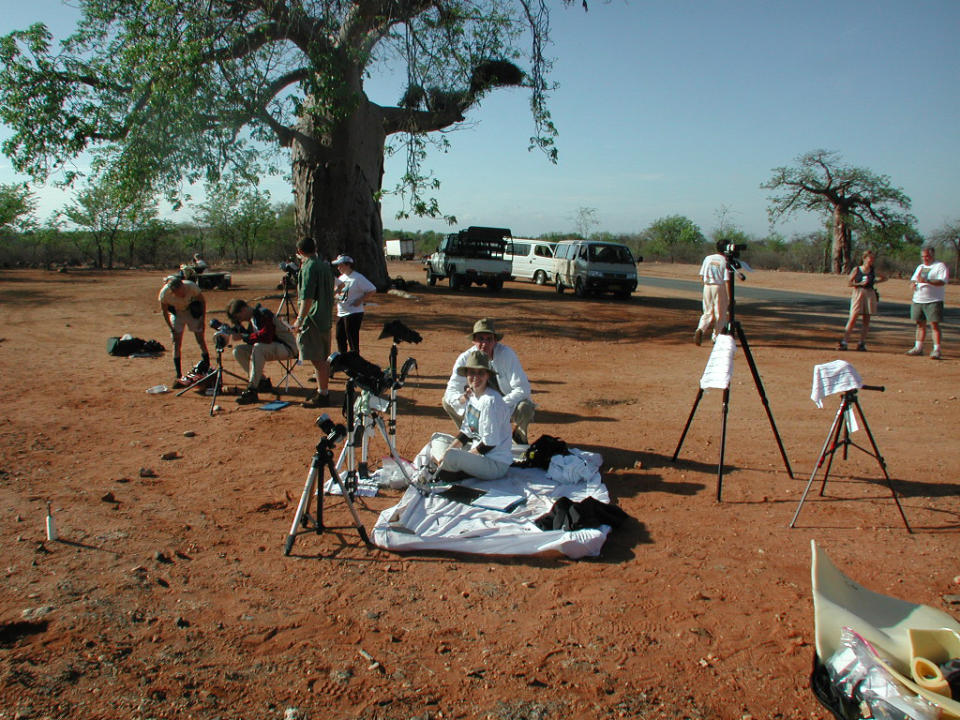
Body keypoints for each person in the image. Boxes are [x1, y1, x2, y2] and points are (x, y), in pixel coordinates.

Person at [443, 318, 535, 444]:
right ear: (474, 340)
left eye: (489, 339)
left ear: (495, 340)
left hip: (505, 403)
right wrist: (462, 399)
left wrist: (499, 405)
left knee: (526, 406)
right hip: (476, 405)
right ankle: (471, 434)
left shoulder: (507, 354)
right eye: (481, 338)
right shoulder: (464, 358)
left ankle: (519, 436)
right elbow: (451, 390)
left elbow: (523, 388)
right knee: (447, 401)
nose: (485, 343)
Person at [432, 350, 513, 482]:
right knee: (437, 438)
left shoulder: (490, 401)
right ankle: (448, 467)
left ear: (488, 375)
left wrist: (463, 456)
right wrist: (447, 452)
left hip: (494, 464)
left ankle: (449, 471)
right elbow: (466, 433)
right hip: (478, 455)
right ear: (466, 375)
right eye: (472, 372)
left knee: (452, 456)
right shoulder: (472, 396)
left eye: (481, 373)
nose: (476, 377)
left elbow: (489, 444)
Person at [225, 299, 297, 405]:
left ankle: (252, 389)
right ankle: (261, 382)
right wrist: (240, 332)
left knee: (258, 347)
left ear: (244, 309)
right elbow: (254, 340)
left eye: (239, 317)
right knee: (238, 351)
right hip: (273, 347)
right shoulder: (253, 318)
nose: (241, 320)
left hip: (287, 347)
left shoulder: (263, 314)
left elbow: (267, 337)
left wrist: (244, 336)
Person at [292, 237, 336, 407]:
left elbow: (307, 298)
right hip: (325, 317)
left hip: (313, 319)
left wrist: (299, 320)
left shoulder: (308, 267)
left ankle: (323, 393)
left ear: (300, 252)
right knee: (322, 357)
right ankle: (322, 391)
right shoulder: (325, 266)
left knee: (317, 358)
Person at [158, 275, 210, 386]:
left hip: (191, 311)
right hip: (177, 313)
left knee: (200, 339)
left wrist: (202, 319)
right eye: (176, 293)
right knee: (176, 342)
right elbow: (164, 311)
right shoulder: (165, 294)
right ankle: (178, 374)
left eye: (181, 291)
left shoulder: (191, 286)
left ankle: (207, 367)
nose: (180, 294)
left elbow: (202, 302)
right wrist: (171, 328)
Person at [837, 250, 887, 352]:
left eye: (872, 259)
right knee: (853, 317)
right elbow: (849, 283)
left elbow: (885, 277)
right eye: (869, 258)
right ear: (864, 259)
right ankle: (845, 341)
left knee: (866, 319)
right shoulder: (857, 269)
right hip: (858, 293)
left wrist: (874, 281)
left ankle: (861, 343)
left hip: (869, 293)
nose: (871, 261)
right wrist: (859, 283)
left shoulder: (873, 270)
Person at [906, 245, 949, 359]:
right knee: (920, 324)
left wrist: (927, 281)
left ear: (932, 255)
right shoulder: (920, 267)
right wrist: (912, 284)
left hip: (934, 300)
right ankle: (918, 347)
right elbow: (913, 279)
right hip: (918, 299)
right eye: (923, 256)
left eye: (927, 256)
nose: (925, 258)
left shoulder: (940, 266)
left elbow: (942, 281)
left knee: (934, 324)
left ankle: (937, 349)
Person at [332, 254, 377, 354]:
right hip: (341, 312)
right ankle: (343, 360)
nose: (338, 267)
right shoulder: (341, 277)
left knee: (352, 337)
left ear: (348, 265)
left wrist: (361, 300)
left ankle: (355, 360)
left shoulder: (357, 277)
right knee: (340, 337)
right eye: (338, 265)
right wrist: (336, 296)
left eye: (341, 265)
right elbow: (337, 291)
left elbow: (372, 289)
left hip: (354, 312)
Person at [695, 240, 730, 346]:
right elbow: (727, 280)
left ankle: (701, 328)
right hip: (719, 286)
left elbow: (701, 275)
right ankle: (716, 336)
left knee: (707, 311)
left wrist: (707, 284)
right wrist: (729, 297)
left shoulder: (708, 258)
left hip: (707, 286)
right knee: (720, 313)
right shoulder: (725, 260)